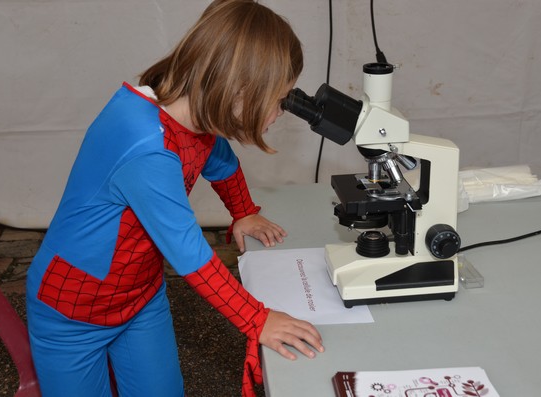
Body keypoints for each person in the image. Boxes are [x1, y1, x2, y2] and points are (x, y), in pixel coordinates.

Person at [25, 1, 324, 396]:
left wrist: (243, 213)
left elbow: (221, 162)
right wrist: (256, 319)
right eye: (278, 99)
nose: (280, 112)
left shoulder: (192, 116)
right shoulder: (147, 144)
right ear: (240, 88)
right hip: (73, 311)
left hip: (140, 295)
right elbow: (189, 252)